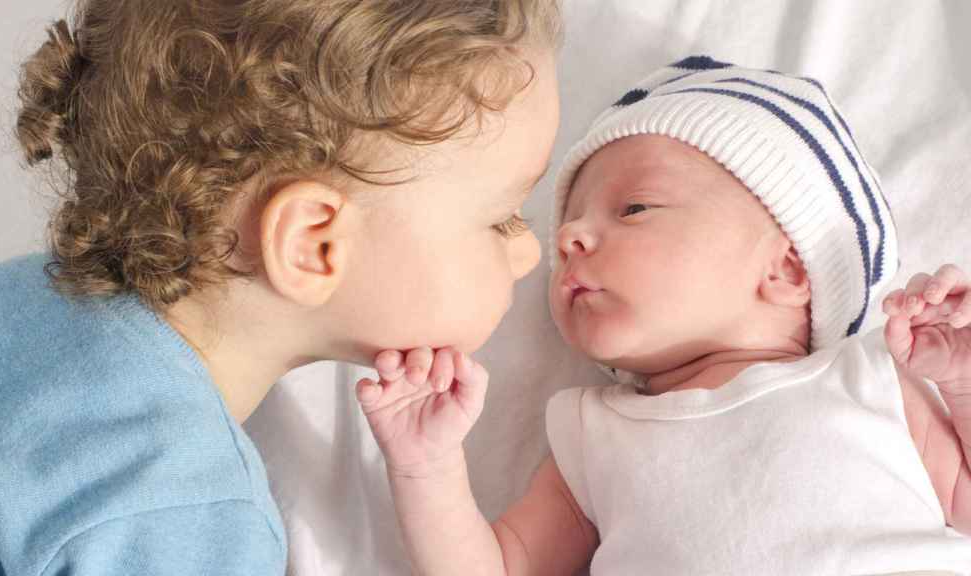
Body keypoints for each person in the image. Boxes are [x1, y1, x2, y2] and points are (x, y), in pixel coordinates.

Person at [0, 1, 562, 573]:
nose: (532, 250)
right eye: (504, 217)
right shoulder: (184, 508)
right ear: (311, 244)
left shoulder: (2, 301)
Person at [357, 57, 971, 574]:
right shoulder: (593, 432)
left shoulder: (868, 379)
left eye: (633, 208)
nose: (569, 235)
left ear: (786, 270)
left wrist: (962, 384)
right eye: (568, 224)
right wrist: (426, 466)